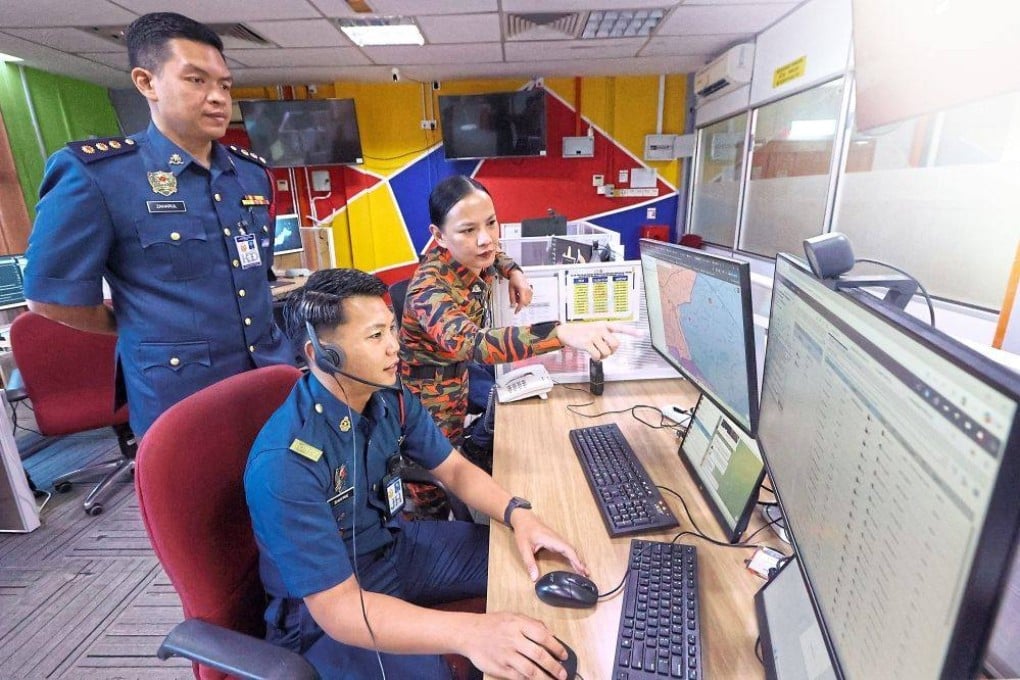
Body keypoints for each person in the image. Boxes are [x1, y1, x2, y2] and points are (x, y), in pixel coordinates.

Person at [245, 268, 585, 679]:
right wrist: (470, 633)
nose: (396, 347)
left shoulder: (389, 396)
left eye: (391, 329)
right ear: (322, 354)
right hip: (326, 613)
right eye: (375, 336)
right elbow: (339, 609)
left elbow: (454, 469)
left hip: (394, 549)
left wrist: (517, 513)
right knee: (437, 672)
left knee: (520, 563)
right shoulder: (285, 464)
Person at [22, 12, 292, 436]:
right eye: (196, 80)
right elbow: (49, 297)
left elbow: (257, 274)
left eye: (224, 85)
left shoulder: (251, 175)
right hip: (179, 394)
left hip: (269, 376)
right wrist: (137, 323)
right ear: (146, 82)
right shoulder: (99, 175)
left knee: (284, 477)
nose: (218, 97)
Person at [399, 175, 636, 463]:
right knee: (437, 471)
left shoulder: (473, 255)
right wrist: (560, 333)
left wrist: (515, 272)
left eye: (491, 222)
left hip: (461, 376)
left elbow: (495, 252)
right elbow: (472, 343)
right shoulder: (428, 289)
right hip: (429, 396)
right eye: (468, 230)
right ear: (438, 236)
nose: (485, 238)